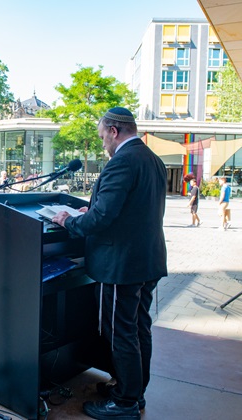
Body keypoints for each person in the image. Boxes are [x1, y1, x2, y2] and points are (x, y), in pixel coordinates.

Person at [52, 107, 167, 419]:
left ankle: (125, 403)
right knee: (139, 326)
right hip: (147, 260)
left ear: (115, 131)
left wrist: (68, 221)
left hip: (121, 266)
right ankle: (133, 392)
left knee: (120, 331)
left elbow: (102, 218)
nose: (103, 144)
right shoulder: (153, 160)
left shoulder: (122, 162)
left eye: (103, 137)